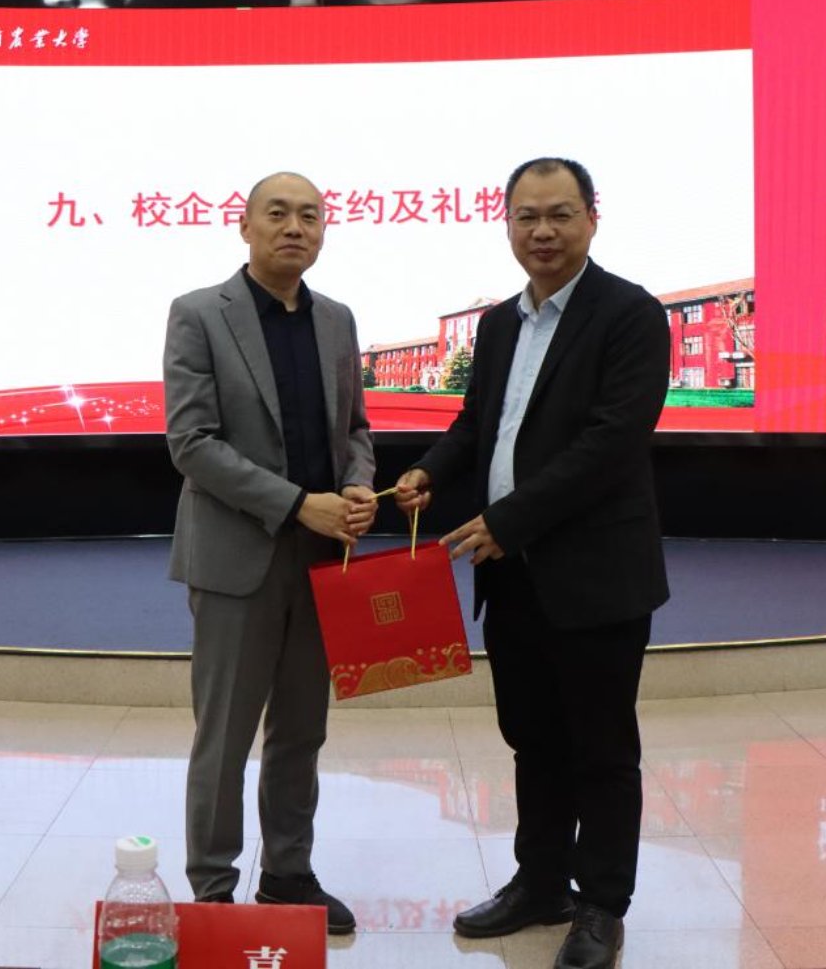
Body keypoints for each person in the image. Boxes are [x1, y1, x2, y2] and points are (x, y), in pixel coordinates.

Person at [395, 158, 670, 969]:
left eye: (559, 214)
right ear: (507, 224)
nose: (542, 231)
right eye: (526, 216)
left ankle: (601, 905)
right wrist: (429, 472)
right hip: (510, 574)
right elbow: (477, 422)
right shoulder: (498, 324)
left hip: (596, 574)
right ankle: (540, 882)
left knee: (601, 748)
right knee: (532, 739)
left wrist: (508, 521)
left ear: (591, 218)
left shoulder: (629, 314)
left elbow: (610, 443)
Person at [163, 171, 376, 934]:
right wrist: (294, 502)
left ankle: (288, 873)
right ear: (245, 225)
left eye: (309, 215)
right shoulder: (199, 314)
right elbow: (191, 443)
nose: (294, 227)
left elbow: (355, 428)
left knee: (301, 728)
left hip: (321, 559)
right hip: (236, 557)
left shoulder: (337, 319)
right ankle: (212, 892)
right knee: (224, 735)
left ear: (323, 230)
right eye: (277, 213)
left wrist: (355, 484)